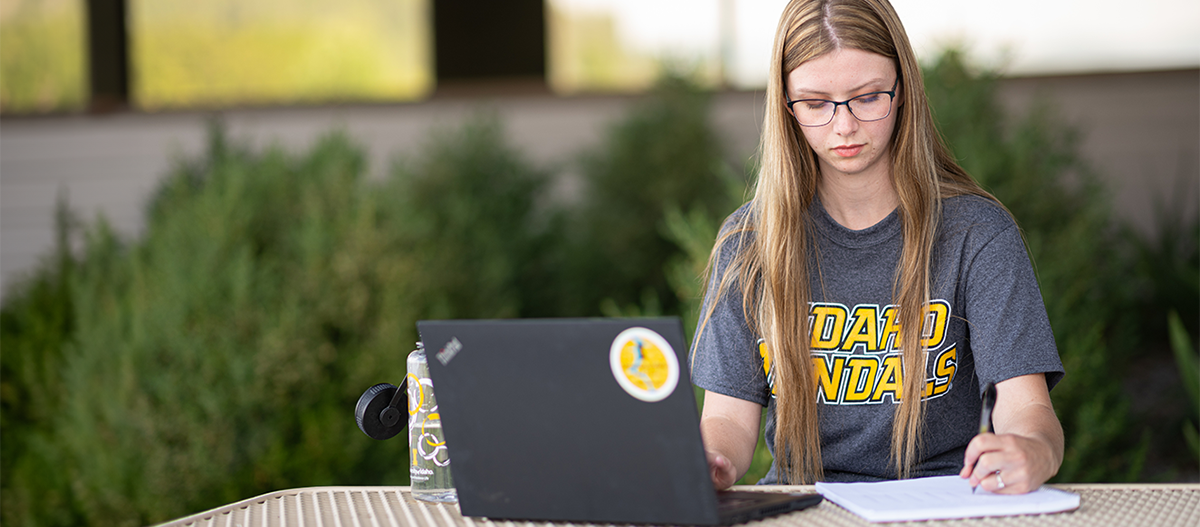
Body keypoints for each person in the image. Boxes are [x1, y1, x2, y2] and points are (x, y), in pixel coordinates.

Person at [689, 0, 1065, 494]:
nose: (844, 125)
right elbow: (729, 422)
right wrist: (711, 461)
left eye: (867, 97)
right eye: (816, 103)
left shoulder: (977, 233)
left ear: (903, 89)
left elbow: (1027, 407)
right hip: (799, 507)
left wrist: (1033, 450)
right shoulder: (749, 244)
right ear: (785, 104)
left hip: (941, 505)